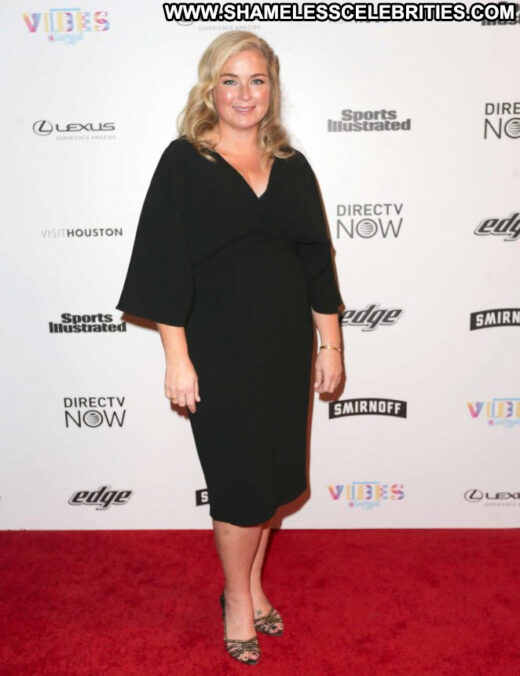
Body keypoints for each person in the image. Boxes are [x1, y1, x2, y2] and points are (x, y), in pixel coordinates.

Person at [115, 30, 344, 666]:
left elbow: (316, 263)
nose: (245, 94)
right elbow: (163, 264)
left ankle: (255, 585)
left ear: (272, 89)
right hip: (218, 353)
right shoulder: (184, 162)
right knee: (241, 485)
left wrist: (330, 345)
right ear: (210, 89)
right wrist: (176, 357)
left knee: (273, 481)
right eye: (231, 80)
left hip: (285, 350)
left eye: (257, 80)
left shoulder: (293, 166)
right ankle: (237, 600)